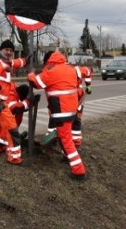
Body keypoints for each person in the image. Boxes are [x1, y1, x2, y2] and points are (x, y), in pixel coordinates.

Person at [28, 50, 86, 179]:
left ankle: (78, 170)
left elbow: (36, 83)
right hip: (72, 110)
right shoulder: (70, 69)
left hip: (61, 112)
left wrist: (31, 73)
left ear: (50, 61)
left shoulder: (51, 71)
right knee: (64, 136)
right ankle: (67, 157)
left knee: (66, 140)